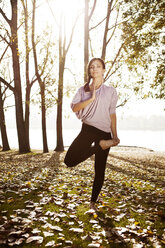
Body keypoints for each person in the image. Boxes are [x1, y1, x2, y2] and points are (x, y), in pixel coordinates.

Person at [64, 58, 120, 211]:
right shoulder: (83, 90)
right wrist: (91, 98)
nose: (95, 69)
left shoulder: (111, 91)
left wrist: (114, 136)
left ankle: (92, 204)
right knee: (69, 160)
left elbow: (112, 114)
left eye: (98, 67)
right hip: (88, 129)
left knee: (99, 170)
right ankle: (99, 147)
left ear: (103, 70)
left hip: (105, 132)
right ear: (89, 71)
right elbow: (75, 108)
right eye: (92, 67)